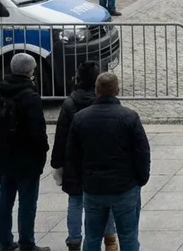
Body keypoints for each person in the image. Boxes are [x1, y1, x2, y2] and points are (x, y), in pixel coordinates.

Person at [65, 73, 150, 251]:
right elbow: (142, 152)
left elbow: (72, 155)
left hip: (93, 187)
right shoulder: (129, 117)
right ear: (117, 90)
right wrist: (140, 179)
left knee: (92, 237)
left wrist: (83, 180)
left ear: (96, 91)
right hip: (124, 187)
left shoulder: (81, 118)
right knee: (128, 237)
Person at [0, 53, 49, 251]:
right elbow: (37, 130)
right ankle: (26, 242)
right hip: (27, 157)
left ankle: (4, 241)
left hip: (4, 153)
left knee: (5, 198)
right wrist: (43, 151)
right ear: (30, 70)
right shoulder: (30, 96)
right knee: (27, 202)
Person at [52, 61, 117, 251]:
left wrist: (57, 162)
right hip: (100, 160)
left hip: (74, 161)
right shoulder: (103, 103)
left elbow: (61, 135)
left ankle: (74, 240)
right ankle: (110, 239)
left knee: (75, 201)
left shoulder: (70, 103)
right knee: (106, 203)